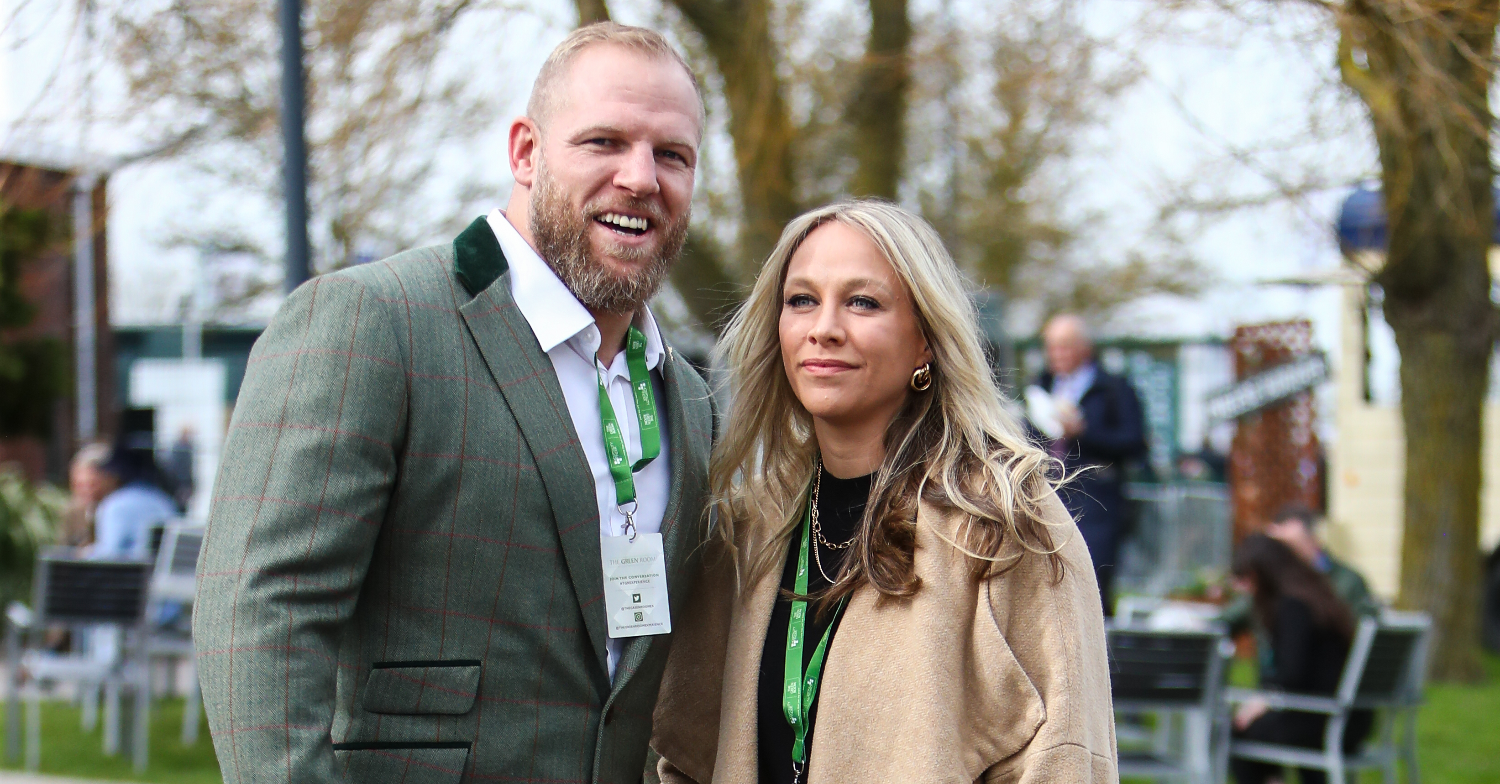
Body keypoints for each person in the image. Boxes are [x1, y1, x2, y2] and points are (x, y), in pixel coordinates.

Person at [194, 23, 714, 784]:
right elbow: (260, 614)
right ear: (526, 153)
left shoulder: (690, 401)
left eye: (673, 154)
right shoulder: (372, 322)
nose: (641, 178)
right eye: (604, 141)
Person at [650, 201, 1116, 783]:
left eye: (862, 302)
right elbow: (683, 755)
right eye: (801, 300)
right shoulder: (748, 529)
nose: (823, 327)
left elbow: (1066, 761)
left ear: (925, 340)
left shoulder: (1005, 525)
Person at [1229, 534, 1373, 784]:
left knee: (1236, 732)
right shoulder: (1319, 596)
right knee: (1263, 729)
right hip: (1352, 718)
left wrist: (1264, 698)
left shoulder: (1293, 607)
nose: (1244, 589)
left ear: (1263, 574)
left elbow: (1291, 674)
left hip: (1326, 720)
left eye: (1246, 578)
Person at [1031, 314, 1146, 613]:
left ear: (1085, 348)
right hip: (1048, 497)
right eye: (1052, 348)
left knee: (1091, 586)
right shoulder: (1040, 386)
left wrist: (1084, 433)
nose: (1058, 355)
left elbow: (1135, 443)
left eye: (1065, 347)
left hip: (1097, 502)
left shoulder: (1113, 389)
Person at [1265, 504, 1378, 618]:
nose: (1285, 553)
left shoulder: (1347, 581)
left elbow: (1366, 626)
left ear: (1312, 539)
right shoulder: (1272, 578)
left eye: (1291, 545)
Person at [91, 437, 178, 561]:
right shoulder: (164, 501)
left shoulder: (116, 504)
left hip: (130, 576)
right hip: (161, 574)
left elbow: (109, 554)